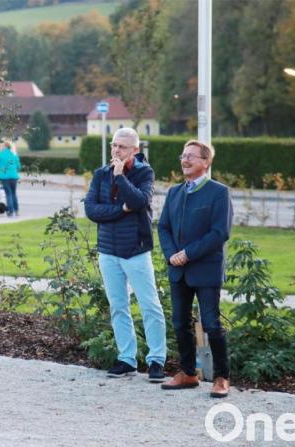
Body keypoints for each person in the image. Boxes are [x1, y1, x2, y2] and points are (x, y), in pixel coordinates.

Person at [84, 127, 167, 382]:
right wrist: (121, 209)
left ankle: (156, 360)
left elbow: (140, 201)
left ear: (135, 150)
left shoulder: (145, 173)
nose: (116, 150)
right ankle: (127, 359)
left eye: (122, 146)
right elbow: (91, 210)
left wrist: (120, 177)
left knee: (149, 305)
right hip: (108, 251)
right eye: (113, 145)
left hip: (136, 251)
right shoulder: (100, 174)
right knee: (118, 306)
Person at [158, 139, 233, 398]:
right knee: (180, 323)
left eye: (191, 156)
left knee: (211, 324)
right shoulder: (174, 192)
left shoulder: (219, 192)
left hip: (205, 269)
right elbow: (163, 227)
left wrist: (187, 254)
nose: (185, 160)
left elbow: (219, 232)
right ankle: (188, 373)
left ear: (206, 162)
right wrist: (172, 256)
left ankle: (222, 377)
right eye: (183, 155)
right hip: (178, 269)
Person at [0, 141, 21, 217]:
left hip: (4, 177)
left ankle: (10, 211)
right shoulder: (13, 154)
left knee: (8, 194)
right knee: (13, 193)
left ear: (4, 147)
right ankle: (16, 210)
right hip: (13, 177)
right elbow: (18, 166)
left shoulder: (0, 154)